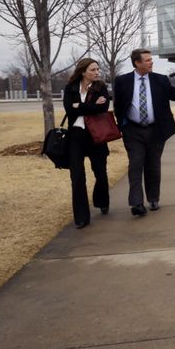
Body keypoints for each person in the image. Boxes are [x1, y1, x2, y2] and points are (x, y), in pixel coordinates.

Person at [113, 49, 175, 216]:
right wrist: (122, 127)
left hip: (156, 130)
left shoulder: (160, 80)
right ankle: (136, 203)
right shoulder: (121, 81)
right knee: (135, 164)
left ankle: (153, 198)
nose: (151, 62)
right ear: (137, 63)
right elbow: (118, 106)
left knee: (153, 165)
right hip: (132, 131)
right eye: (147, 60)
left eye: (151, 60)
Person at [62, 58, 111, 229]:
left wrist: (80, 106)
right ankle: (81, 217)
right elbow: (69, 109)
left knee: (101, 175)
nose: (97, 72)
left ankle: (102, 201)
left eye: (98, 69)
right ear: (83, 72)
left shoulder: (101, 88)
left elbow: (103, 109)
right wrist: (90, 105)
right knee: (77, 177)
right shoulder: (71, 88)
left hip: (96, 136)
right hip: (75, 136)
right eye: (93, 69)